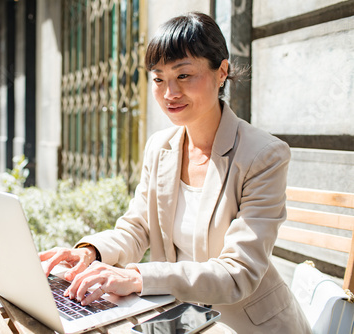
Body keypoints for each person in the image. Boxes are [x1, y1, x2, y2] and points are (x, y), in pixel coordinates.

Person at [40, 12, 311, 333]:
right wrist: (90, 251)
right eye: (158, 79)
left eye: (184, 75)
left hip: (248, 324)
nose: (169, 93)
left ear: (221, 72)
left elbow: (239, 272)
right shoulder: (161, 146)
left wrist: (137, 277)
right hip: (182, 317)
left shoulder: (263, 155)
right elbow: (137, 227)